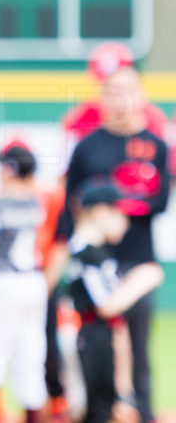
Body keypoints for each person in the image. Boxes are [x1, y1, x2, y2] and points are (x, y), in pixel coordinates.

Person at [56, 63, 168, 423]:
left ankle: (144, 409)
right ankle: (91, 408)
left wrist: (122, 203)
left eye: (127, 90)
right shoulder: (89, 145)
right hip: (94, 258)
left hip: (136, 255)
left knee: (138, 344)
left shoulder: (155, 145)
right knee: (93, 341)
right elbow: (70, 202)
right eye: (112, 91)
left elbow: (161, 201)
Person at [65, 181, 163, 423]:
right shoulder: (85, 253)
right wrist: (143, 280)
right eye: (121, 214)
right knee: (94, 410)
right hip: (85, 343)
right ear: (100, 212)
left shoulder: (98, 254)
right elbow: (106, 306)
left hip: (96, 344)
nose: (126, 223)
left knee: (104, 407)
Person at [0, 141, 47, 423]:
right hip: (33, 282)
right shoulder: (36, 203)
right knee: (30, 356)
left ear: (10, 170)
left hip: (3, 281)